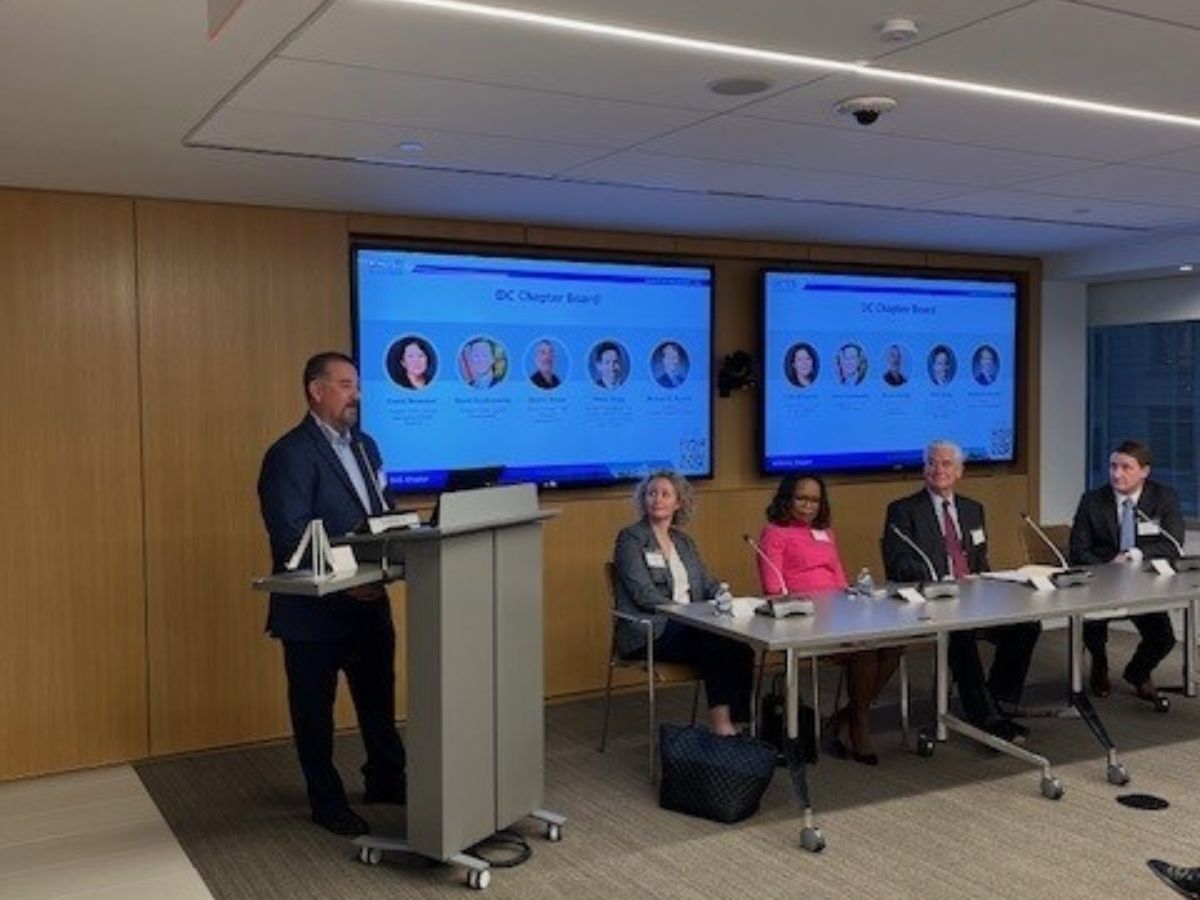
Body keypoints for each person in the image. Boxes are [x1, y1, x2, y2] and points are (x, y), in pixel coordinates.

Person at [257, 352, 407, 837]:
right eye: (345, 385)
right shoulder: (289, 454)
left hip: (370, 604)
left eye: (357, 385)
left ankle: (387, 779)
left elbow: (383, 512)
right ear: (316, 391)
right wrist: (353, 577)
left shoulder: (366, 446)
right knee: (314, 714)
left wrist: (397, 549)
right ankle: (326, 801)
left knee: (378, 700)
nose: (356, 395)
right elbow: (293, 539)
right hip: (314, 612)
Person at [882, 440, 1041, 740]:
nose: (937, 469)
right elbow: (897, 563)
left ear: (959, 471)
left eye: (946, 464)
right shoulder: (903, 511)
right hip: (933, 601)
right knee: (961, 634)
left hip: (975, 596)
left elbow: (978, 559)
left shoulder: (972, 509)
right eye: (931, 463)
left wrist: (987, 582)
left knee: (1027, 625)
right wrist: (937, 577)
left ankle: (999, 702)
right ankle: (986, 718)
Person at [757, 474, 900, 764]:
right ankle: (859, 725)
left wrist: (852, 600)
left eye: (815, 500)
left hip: (839, 613)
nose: (808, 506)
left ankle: (845, 717)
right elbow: (773, 588)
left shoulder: (825, 533)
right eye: (801, 498)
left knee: (893, 644)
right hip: (804, 619)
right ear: (786, 498)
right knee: (865, 650)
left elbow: (840, 580)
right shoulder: (774, 533)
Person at [612, 471, 754, 735]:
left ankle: (741, 725)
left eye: (665, 494)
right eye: (651, 493)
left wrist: (721, 594)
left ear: (678, 503)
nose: (657, 499)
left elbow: (706, 583)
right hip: (651, 630)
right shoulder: (630, 538)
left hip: (690, 627)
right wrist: (686, 613)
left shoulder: (684, 542)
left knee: (742, 648)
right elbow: (643, 593)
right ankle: (723, 728)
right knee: (715, 644)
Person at [1069, 440, 1182, 702]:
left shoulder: (1163, 497)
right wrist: (1110, 566)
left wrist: (1135, 555)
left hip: (1144, 583)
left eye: (1126, 467)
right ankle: (1099, 664)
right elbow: (1078, 551)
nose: (1117, 474)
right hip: (1101, 582)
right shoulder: (1092, 501)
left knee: (1163, 639)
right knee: (1094, 628)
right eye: (1113, 466)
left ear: (1144, 471)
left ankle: (1137, 672)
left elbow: (1172, 544)